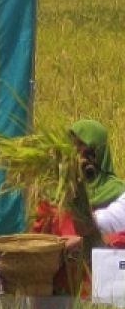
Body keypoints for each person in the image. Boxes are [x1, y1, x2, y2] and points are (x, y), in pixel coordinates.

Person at [36, 120, 125, 293]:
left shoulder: (119, 194)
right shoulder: (54, 197)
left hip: (104, 285)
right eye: (71, 146)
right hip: (58, 290)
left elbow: (96, 227)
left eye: (81, 147)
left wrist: (79, 198)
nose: (75, 154)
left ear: (97, 153)